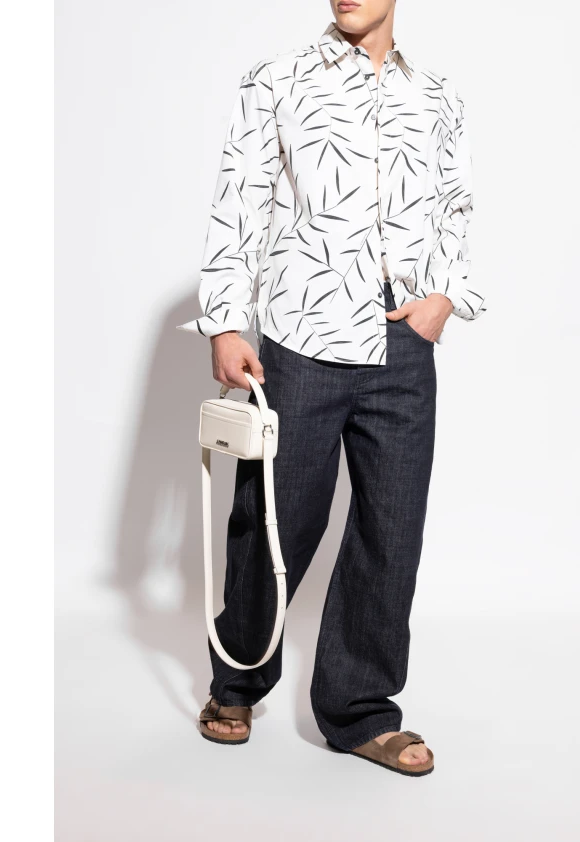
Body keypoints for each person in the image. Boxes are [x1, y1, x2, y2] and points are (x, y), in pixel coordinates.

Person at [178, 0, 485, 777]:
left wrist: (444, 297)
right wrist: (225, 321)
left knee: (390, 531)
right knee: (274, 521)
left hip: (402, 341)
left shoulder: (436, 94)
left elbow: (454, 205)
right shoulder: (277, 79)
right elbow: (240, 198)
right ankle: (236, 683)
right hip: (301, 339)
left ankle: (360, 712)